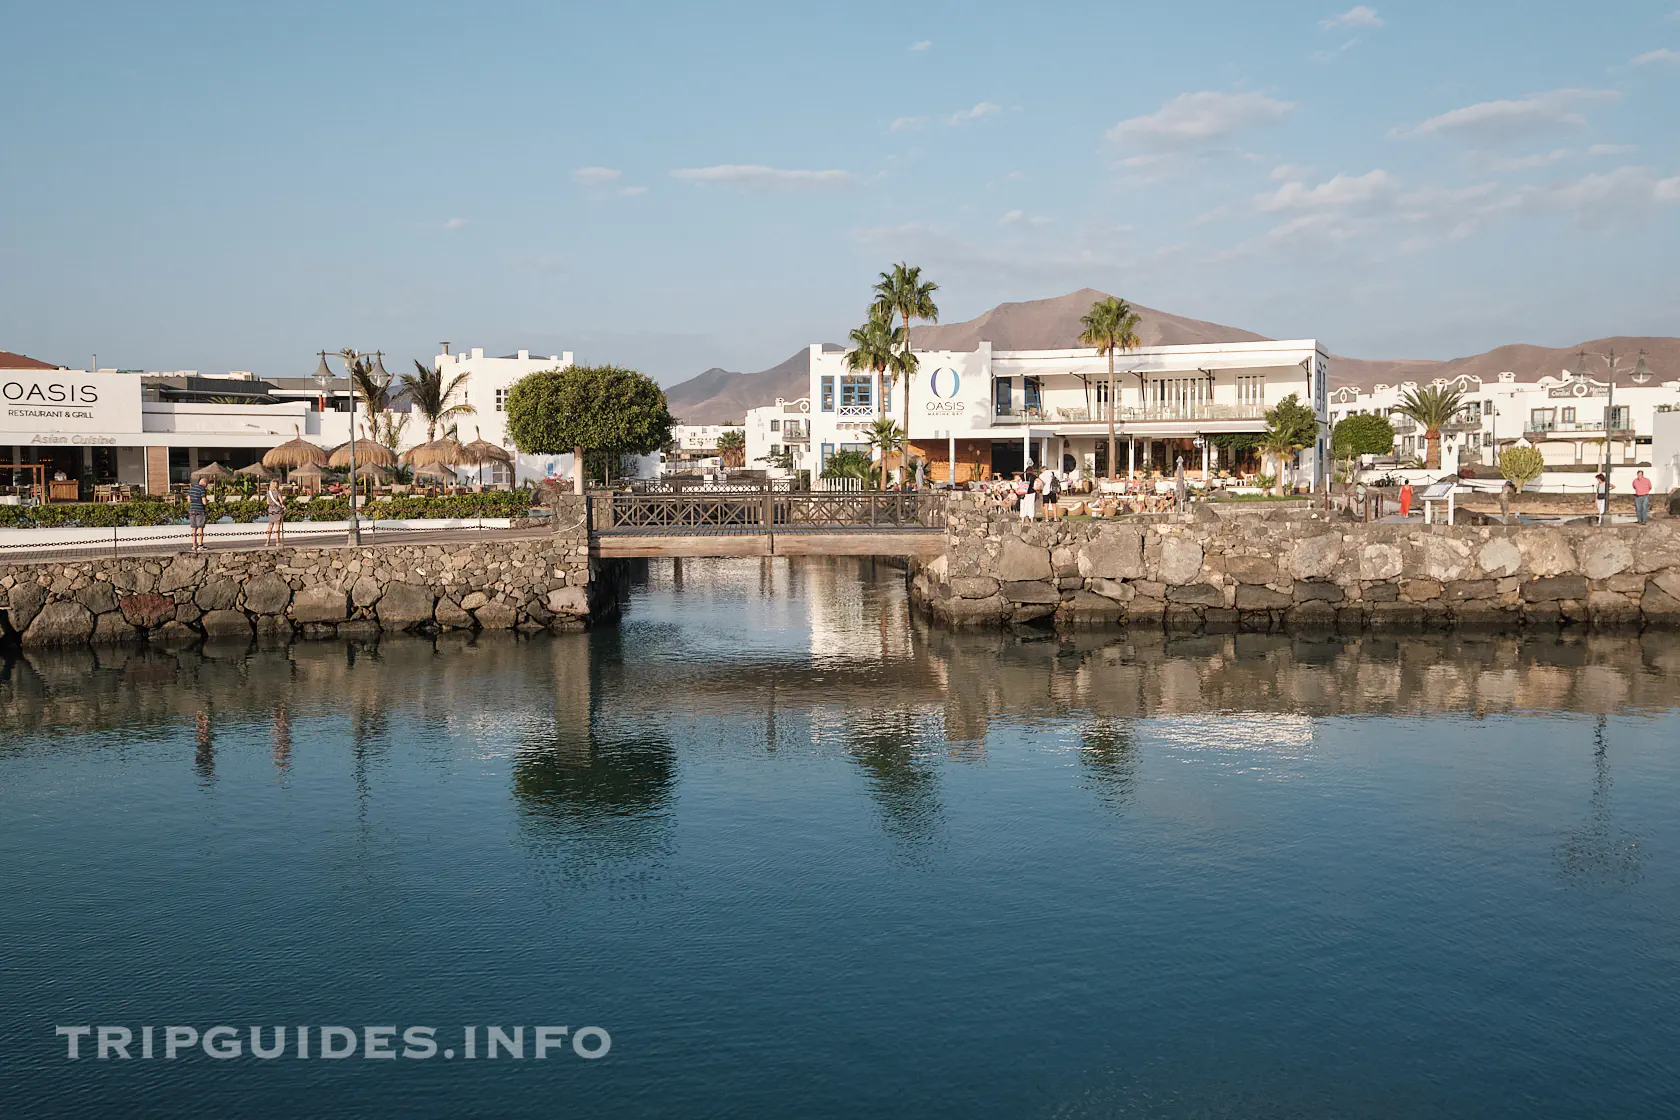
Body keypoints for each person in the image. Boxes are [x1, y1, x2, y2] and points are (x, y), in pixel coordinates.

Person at [186, 477, 209, 551]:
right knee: (200, 528)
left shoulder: (192, 488)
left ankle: (194, 545)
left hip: (192, 510)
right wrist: (206, 501)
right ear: (205, 483)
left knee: (193, 528)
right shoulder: (202, 489)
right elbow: (204, 502)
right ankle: (200, 545)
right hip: (199, 510)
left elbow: (189, 500)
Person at [264, 478, 285, 546]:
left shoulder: (268, 492)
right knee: (277, 526)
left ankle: (267, 542)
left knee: (270, 526)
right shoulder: (278, 492)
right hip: (277, 510)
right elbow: (281, 501)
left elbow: (267, 502)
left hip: (270, 510)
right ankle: (277, 542)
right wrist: (283, 505)